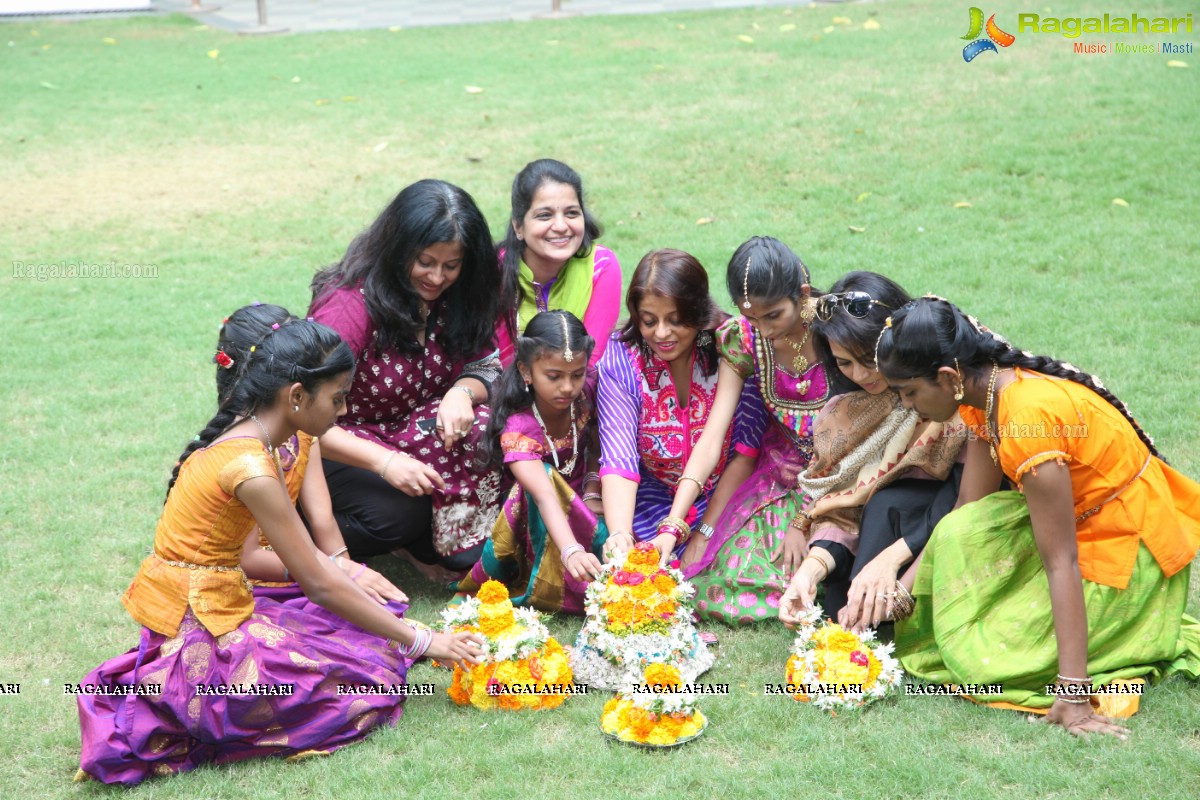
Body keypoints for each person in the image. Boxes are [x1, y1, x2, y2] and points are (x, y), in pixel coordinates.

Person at [76, 316, 482, 785]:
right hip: (199, 625)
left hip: (221, 605)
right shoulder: (252, 466)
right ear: (296, 397)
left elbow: (320, 565)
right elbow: (317, 580)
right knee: (360, 686)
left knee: (363, 644)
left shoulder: (261, 441)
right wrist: (424, 641)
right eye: (338, 397)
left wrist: (361, 588)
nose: (345, 411)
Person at [873, 296, 1200, 738]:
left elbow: (1061, 560)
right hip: (1079, 523)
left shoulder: (1028, 418)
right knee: (958, 534)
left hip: (1125, 547)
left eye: (908, 392)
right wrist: (900, 594)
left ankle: (1109, 644)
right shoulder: (982, 393)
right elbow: (968, 509)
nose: (908, 406)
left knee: (989, 658)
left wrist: (1073, 693)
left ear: (948, 376)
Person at [310, 179, 504, 576]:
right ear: (397, 250)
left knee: (491, 424)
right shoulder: (349, 307)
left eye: (451, 265)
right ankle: (296, 536)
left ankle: (452, 544)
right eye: (426, 262)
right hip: (338, 441)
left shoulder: (459, 295)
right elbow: (302, 421)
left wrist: (461, 393)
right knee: (396, 514)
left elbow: (486, 366)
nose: (437, 277)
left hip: (416, 430)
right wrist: (385, 462)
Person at [771, 273, 966, 628]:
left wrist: (891, 560)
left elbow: (966, 498)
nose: (861, 374)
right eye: (845, 363)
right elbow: (842, 508)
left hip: (941, 533)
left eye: (869, 358)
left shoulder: (944, 391)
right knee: (835, 604)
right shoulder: (843, 414)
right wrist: (809, 573)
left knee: (887, 503)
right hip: (873, 539)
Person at [674, 236, 831, 625]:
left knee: (812, 569)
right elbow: (713, 437)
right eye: (753, 318)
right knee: (728, 576)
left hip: (844, 477)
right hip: (782, 476)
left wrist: (805, 520)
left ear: (803, 295)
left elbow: (860, 436)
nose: (763, 330)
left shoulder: (836, 328)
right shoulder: (742, 338)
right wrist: (676, 522)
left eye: (773, 316)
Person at [213, 303, 405, 605]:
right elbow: (248, 559)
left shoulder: (301, 430)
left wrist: (348, 571)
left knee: (377, 610)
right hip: (246, 582)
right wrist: (336, 571)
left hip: (301, 567)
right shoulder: (241, 454)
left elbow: (323, 521)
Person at [596, 248, 766, 567]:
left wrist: (703, 531)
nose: (661, 333)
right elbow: (619, 455)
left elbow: (746, 451)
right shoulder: (621, 357)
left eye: (675, 320)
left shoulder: (732, 345)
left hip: (726, 497)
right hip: (649, 500)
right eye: (649, 321)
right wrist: (619, 533)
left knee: (737, 568)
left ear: (698, 311)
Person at [456, 311, 607, 614]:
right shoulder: (519, 428)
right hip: (540, 525)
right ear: (526, 371)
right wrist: (570, 549)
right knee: (548, 476)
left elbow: (596, 447)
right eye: (554, 377)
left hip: (590, 505)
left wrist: (592, 489)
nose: (568, 387)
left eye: (577, 374)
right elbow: (544, 495)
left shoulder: (587, 393)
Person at [494, 159, 621, 368]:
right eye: (544, 215)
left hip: (577, 389)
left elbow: (591, 361)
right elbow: (497, 361)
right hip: (505, 393)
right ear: (518, 227)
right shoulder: (494, 270)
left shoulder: (601, 267)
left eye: (572, 213)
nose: (561, 226)